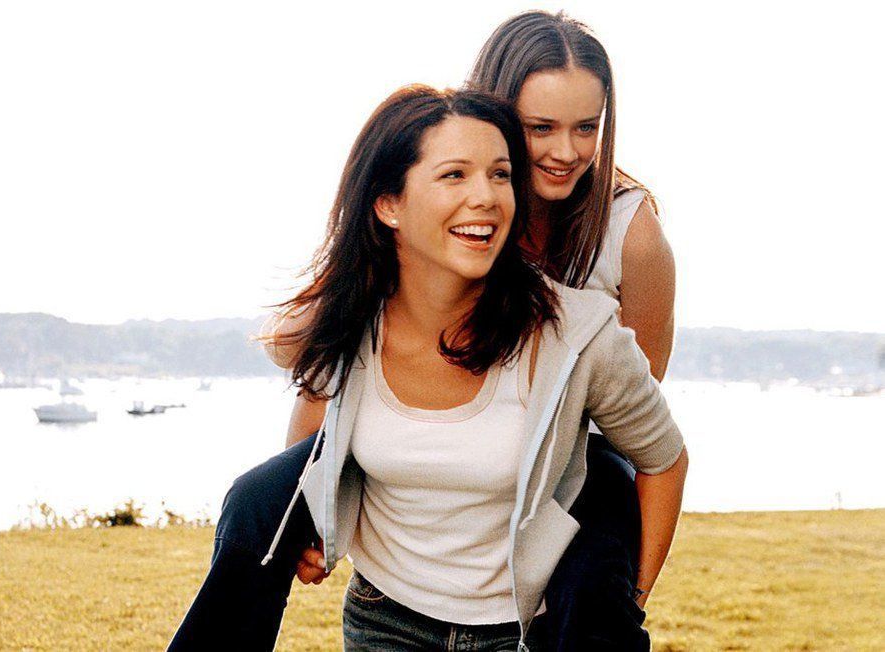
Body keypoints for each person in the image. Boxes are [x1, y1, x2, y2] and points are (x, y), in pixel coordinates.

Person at [169, 84, 687, 651]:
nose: (486, 196)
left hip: (521, 635)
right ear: (388, 204)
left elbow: (663, 459)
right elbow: (312, 407)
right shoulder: (351, 322)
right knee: (250, 501)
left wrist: (627, 600)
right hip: (385, 621)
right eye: (454, 175)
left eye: (500, 175)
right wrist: (312, 517)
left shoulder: (579, 334)